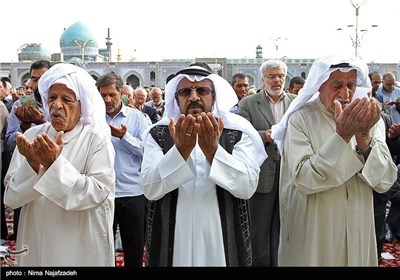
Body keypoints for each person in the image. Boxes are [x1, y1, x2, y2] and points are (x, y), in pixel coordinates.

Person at [271, 54, 398, 266]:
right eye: (336, 85)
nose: (345, 93)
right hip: (316, 229)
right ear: (320, 85)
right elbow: (305, 178)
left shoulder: (366, 119)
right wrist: (343, 136)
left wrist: (365, 139)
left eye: (351, 84)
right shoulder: (300, 119)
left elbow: (385, 180)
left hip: (358, 224)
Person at [139, 65, 267, 266]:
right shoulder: (159, 135)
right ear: (176, 97)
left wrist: (213, 151)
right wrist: (180, 152)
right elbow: (149, 188)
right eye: (185, 91)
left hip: (220, 240)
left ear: (214, 97)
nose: (193, 97)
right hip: (174, 239)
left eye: (202, 91)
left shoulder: (237, 134)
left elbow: (247, 187)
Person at [4, 63, 116, 266]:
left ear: (82, 104)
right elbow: (10, 198)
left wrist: (53, 166)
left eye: (66, 99)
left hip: (80, 243)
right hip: (36, 240)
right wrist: (32, 165)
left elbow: (98, 192)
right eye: (52, 98)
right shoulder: (32, 136)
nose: (56, 105)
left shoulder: (96, 139)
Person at [237, 59, 296, 266]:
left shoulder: (297, 102)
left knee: (285, 225)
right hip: (263, 173)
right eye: (272, 76)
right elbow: (241, 136)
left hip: (290, 172)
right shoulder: (248, 104)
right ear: (262, 79)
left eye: (280, 76)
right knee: (259, 228)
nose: (277, 80)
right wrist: (265, 136)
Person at [96, 72, 149, 267]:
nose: (108, 100)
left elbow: (146, 151)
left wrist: (124, 137)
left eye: (112, 94)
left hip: (131, 192)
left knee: (134, 248)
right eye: (103, 95)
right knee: (101, 248)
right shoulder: (92, 119)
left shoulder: (137, 119)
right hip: (101, 193)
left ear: (121, 94)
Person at [5, 60, 51, 242]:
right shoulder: (20, 107)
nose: (38, 83)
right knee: (26, 233)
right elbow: (9, 142)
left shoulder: (59, 106)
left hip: (52, 178)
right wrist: (25, 126)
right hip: (26, 178)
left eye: (43, 78)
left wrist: (42, 125)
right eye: (34, 78)